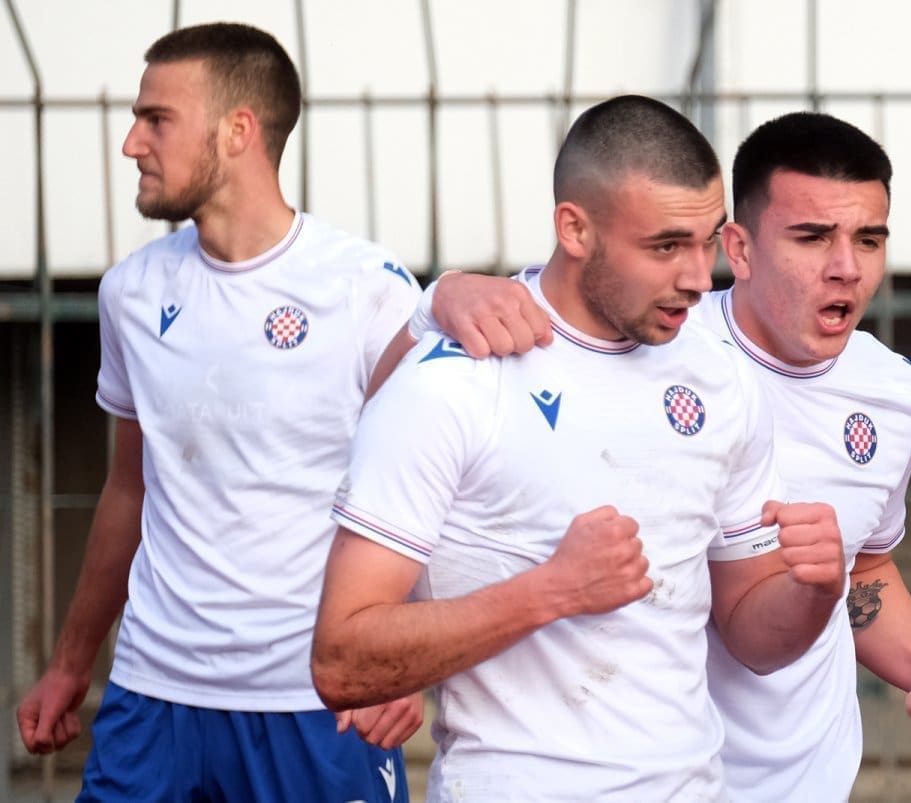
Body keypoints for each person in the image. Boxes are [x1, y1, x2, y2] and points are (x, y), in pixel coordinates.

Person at [11, 21, 532, 802]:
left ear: (237, 132)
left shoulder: (363, 288)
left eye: (156, 119)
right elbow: (129, 486)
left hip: (313, 702)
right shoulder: (131, 291)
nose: (131, 144)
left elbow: (430, 491)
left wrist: (402, 656)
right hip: (155, 695)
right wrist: (68, 664)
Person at [430, 110, 911, 801]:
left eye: (868, 239)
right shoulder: (650, 334)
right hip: (661, 779)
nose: (845, 268)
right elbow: (514, 317)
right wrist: (445, 293)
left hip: (811, 782)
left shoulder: (898, 396)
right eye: (812, 238)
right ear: (741, 247)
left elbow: (862, 564)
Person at [310, 94, 845, 802]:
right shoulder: (456, 381)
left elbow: (751, 634)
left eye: (706, 241)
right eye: (664, 246)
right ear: (575, 228)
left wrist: (817, 591)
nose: (696, 277)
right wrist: (552, 591)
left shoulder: (721, 377)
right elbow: (342, 660)